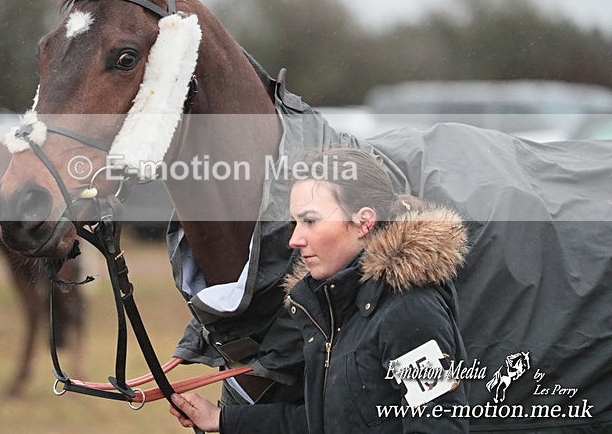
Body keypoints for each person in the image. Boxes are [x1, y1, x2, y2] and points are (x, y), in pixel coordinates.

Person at [169, 147, 470, 433]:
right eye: (295, 222)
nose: (295, 239)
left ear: (364, 222)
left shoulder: (409, 311)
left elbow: (438, 423)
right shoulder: (333, 305)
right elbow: (322, 422)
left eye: (310, 221)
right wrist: (221, 419)